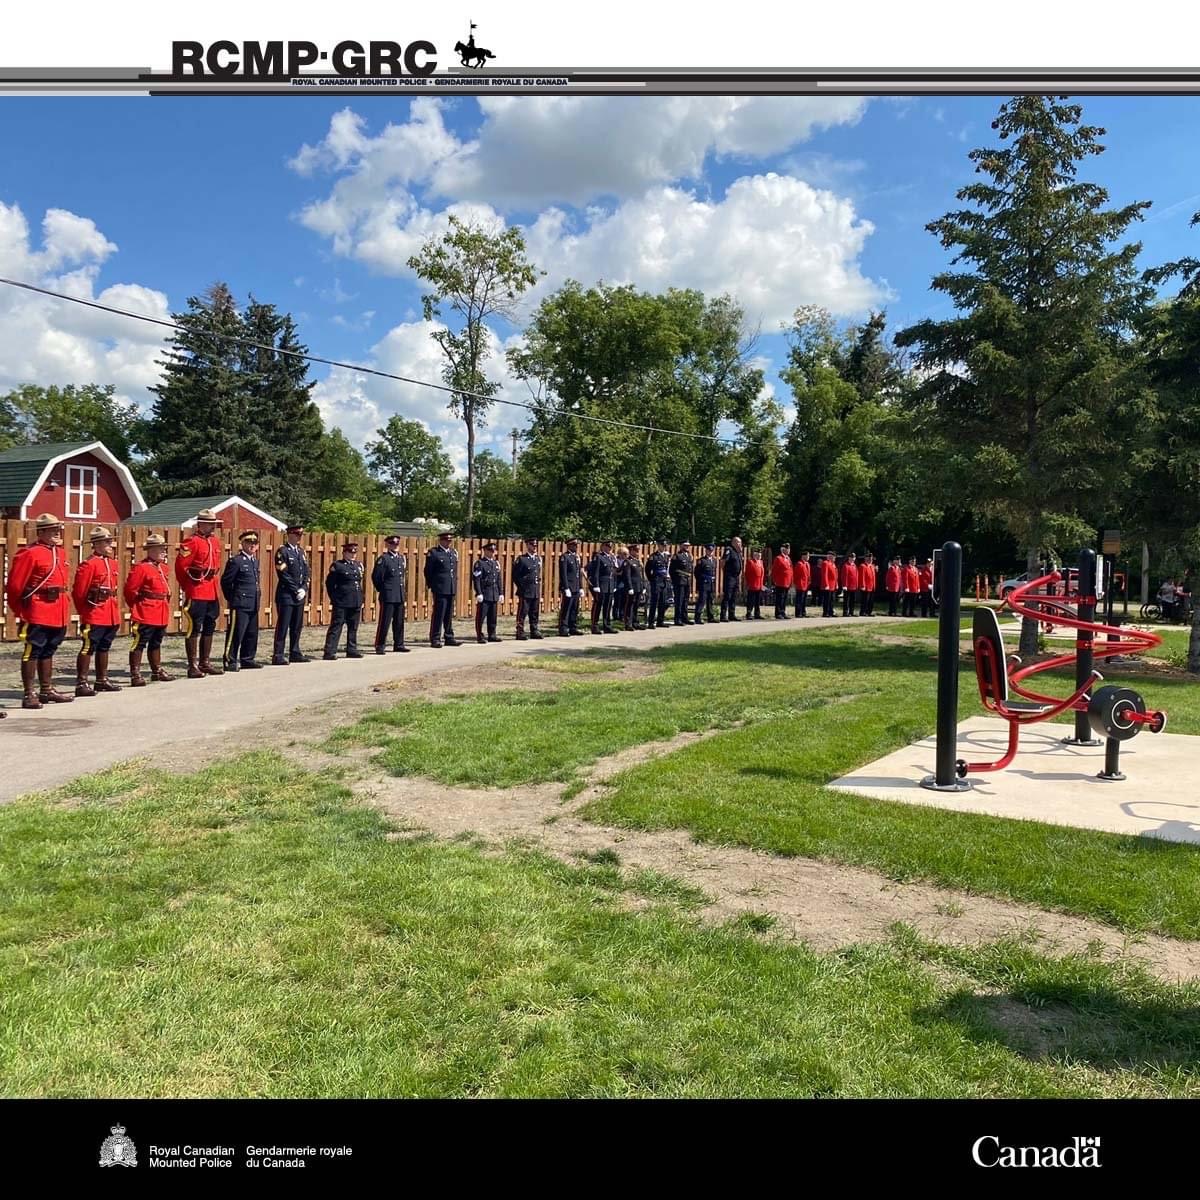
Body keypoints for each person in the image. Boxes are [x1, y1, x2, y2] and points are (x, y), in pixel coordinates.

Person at [7, 512, 74, 708]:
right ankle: (29, 694)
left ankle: (46, 690)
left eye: (58, 529)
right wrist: (20, 610)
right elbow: (14, 586)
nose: (57, 533)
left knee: (49, 650)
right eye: (52, 530)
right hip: (37, 610)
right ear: (41, 532)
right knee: (33, 650)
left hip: (57, 610)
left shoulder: (60, 553)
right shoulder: (30, 553)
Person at [72, 525, 122, 696]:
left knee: (104, 646)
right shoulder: (89, 564)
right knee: (88, 647)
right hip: (94, 612)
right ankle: (82, 682)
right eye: (107, 542)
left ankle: (102, 680)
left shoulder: (112, 563)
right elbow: (79, 592)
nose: (111, 545)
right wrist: (85, 612)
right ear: (97, 544)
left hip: (109, 612)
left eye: (111, 541)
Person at [175, 507, 224, 677]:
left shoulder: (214, 542)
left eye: (214, 524)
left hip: (211, 589)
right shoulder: (192, 542)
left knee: (210, 625)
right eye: (210, 524)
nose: (213, 527)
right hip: (196, 589)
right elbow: (181, 567)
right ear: (201, 524)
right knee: (194, 627)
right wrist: (187, 586)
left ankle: (205, 662)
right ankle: (192, 665)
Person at [124, 533, 174, 686]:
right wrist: (138, 606)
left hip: (160, 610)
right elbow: (130, 590)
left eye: (164, 549)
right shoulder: (142, 568)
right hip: (146, 610)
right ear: (151, 550)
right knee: (140, 642)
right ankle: (135, 673)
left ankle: (156, 670)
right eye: (161, 549)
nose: (164, 552)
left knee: (156, 642)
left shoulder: (162, 568)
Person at [220, 531, 263, 670]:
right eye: (249, 543)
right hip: (240, 603)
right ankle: (230, 660)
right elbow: (226, 582)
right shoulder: (236, 561)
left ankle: (247, 658)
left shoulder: (255, 561)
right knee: (236, 633)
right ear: (242, 544)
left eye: (254, 543)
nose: (252, 546)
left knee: (251, 633)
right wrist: (232, 598)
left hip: (253, 602)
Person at [272, 523, 312, 665]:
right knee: (283, 625)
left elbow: (306, 571)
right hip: (286, 595)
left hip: (299, 595)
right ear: (289, 535)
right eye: (297, 535)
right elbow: (283, 573)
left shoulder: (301, 552)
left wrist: (304, 589)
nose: (299, 537)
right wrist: (296, 589)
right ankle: (278, 654)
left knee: (297, 625)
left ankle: (295, 651)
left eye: (300, 535)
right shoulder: (282, 551)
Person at [324, 540, 366, 659]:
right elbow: (330, 584)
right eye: (350, 552)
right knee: (337, 626)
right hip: (342, 601)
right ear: (344, 553)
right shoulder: (337, 566)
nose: (352, 555)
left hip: (355, 600)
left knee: (353, 626)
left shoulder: (358, 566)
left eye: (354, 553)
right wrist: (335, 598)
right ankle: (330, 651)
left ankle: (351, 649)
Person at [371, 534, 411, 654]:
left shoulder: (400, 558)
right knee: (385, 621)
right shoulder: (384, 559)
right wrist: (383, 590)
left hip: (399, 594)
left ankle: (399, 644)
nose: (395, 546)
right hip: (388, 595)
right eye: (392, 544)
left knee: (399, 621)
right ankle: (380, 645)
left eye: (397, 544)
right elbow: (376, 577)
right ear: (387, 545)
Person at [424, 529, 461, 648]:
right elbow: (428, 571)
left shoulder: (453, 553)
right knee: (439, 613)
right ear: (441, 540)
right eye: (446, 540)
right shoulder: (434, 553)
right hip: (440, 587)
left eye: (450, 540)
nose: (448, 542)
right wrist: (432, 585)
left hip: (450, 587)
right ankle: (435, 638)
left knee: (449, 613)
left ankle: (449, 636)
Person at [513, 536, 544, 640]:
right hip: (525, 591)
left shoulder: (537, 559)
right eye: (532, 545)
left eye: (535, 545)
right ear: (527, 545)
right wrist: (522, 587)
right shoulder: (522, 559)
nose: (534, 547)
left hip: (535, 590)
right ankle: (520, 631)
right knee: (523, 612)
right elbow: (516, 576)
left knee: (534, 612)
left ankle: (534, 630)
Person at [472, 541, 503, 643]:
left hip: (494, 593)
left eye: (493, 550)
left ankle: (492, 634)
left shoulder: (495, 563)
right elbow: (477, 579)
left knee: (492, 617)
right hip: (485, 593)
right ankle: (480, 635)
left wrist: (501, 592)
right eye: (490, 550)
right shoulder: (480, 563)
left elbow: (498, 579)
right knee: (481, 616)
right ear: (484, 551)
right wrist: (479, 592)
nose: (492, 552)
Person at [587, 539, 618, 634]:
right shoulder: (599, 557)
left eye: (611, 547)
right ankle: (594, 625)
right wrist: (596, 585)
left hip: (610, 585)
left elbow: (613, 572)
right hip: (601, 584)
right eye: (608, 546)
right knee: (598, 605)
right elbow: (595, 572)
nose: (610, 548)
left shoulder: (611, 558)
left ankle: (607, 625)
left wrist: (614, 584)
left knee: (608, 606)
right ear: (603, 546)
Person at [558, 536, 583, 636]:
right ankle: (563, 628)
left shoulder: (576, 557)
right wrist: (566, 587)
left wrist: (581, 586)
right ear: (569, 545)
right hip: (569, 587)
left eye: (576, 545)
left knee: (574, 608)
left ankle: (573, 627)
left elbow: (579, 573)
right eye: (574, 545)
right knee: (566, 608)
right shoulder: (565, 557)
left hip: (576, 586)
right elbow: (563, 574)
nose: (576, 547)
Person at [647, 539, 671, 628]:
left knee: (663, 602)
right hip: (656, 581)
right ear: (658, 545)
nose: (664, 547)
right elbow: (647, 569)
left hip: (664, 581)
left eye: (665, 546)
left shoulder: (666, 556)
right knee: (654, 602)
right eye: (662, 545)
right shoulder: (654, 556)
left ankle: (660, 621)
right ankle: (651, 622)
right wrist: (652, 579)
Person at [670, 540, 694, 625]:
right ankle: (678, 619)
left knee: (685, 600)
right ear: (680, 546)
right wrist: (675, 581)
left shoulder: (689, 556)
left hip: (687, 581)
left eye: (688, 545)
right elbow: (672, 570)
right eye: (685, 545)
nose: (687, 547)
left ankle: (685, 618)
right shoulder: (677, 556)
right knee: (679, 601)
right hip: (679, 581)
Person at [694, 543, 718, 623]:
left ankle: (710, 617)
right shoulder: (702, 561)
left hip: (711, 583)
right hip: (703, 583)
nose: (710, 552)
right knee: (702, 600)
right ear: (706, 551)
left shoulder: (713, 561)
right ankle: (697, 617)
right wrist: (701, 581)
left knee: (710, 600)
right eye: (709, 550)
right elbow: (697, 573)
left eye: (711, 551)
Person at [624, 545, 647, 629]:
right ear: (631, 551)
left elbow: (641, 575)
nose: (637, 552)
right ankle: (628, 623)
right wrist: (630, 587)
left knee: (636, 605)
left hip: (638, 586)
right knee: (630, 605)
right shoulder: (628, 561)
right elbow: (627, 576)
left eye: (638, 551)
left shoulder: (637, 561)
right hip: (632, 587)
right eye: (636, 551)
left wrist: (643, 586)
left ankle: (635, 622)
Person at [721, 536, 743, 621]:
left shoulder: (737, 552)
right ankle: (723, 615)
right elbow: (723, 561)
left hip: (736, 577)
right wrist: (726, 572)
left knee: (734, 596)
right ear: (733, 542)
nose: (740, 544)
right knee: (727, 596)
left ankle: (732, 614)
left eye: (740, 542)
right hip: (729, 576)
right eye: (738, 542)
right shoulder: (729, 550)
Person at [771, 542, 793, 619]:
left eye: (789, 549)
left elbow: (790, 570)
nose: (789, 550)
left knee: (784, 599)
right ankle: (778, 613)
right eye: (787, 549)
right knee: (779, 598)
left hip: (787, 582)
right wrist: (775, 580)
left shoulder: (788, 559)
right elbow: (774, 570)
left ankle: (783, 612)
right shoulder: (778, 558)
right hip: (780, 582)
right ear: (783, 550)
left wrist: (791, 581)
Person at [744, 549, 765, 619]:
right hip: (752, 584)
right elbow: (747, 573)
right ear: (755, 555)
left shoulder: (761, 562)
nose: (759, 556)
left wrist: (761, 585)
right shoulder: (750, 562)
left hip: (759, 584)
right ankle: (749, 613)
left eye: (760, 555)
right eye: (758, 555)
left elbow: (762, 574)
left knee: (758, 600)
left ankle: (757, 614)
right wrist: (748, 583)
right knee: (751, 600)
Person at [819, 551, 838, 617]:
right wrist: (826, 584)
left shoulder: (833, 564)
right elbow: (825, 575)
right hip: (828, 585)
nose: (834, 558)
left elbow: (835, 575)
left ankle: (831, 611)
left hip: (833, 585)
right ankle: (826, 612)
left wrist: (836, 584)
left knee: (831, 599)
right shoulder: (825, 563)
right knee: (827, 599)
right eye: (833, 557)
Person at [794, 550, 811, 618]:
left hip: (806, 584)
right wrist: (796, 583)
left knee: (804, 599)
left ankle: (803, 612)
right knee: (799, 599)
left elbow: (808, 574)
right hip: (800, 584)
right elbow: (796, 575)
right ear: (803, 556)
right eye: (807, 556)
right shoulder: (799, 564)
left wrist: (809, 581)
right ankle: (798, 613)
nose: (808, 557)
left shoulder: (807, 564)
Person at [841, 552, 859, 617]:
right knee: (846, 600)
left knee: (852, 600)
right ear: (849, 558)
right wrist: (844, 585)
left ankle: (851, 612)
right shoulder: (846, 565)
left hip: (853, 586)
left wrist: (856, 585)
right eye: (851, 557)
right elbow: (844, 576)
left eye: (854, 557)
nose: (853, 559)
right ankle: (845, 612)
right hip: (847, 586)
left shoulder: (854, 566)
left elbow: (856, 576)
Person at [859, 552, 877, 617]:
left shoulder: (872, 566)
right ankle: (863, 612)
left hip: (872, 586)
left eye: (871, 559)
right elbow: (862, 576)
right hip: (866, 586)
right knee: (865, 600)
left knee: (871, 600)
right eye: (869, 558)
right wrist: (863, 585)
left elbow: (873, 577)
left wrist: (874, 585)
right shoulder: (863, 566)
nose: (870, 560)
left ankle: (869, 612)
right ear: (865, 559)